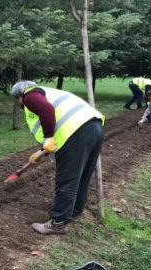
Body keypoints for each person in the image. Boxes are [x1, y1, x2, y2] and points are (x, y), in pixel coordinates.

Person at [11, 81, 105, 235]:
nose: (20, 105)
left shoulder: (30, 95)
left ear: (19, 96)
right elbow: (55, 127)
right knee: (82, 175)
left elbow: (47, 110)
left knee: (67, 178)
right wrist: (42, 152)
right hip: (94, 128)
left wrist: (48, 137)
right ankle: (74, 211)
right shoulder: (48, 93)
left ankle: (58, 222)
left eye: (18, 101)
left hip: (75, 135)